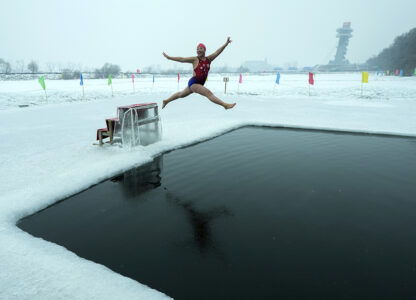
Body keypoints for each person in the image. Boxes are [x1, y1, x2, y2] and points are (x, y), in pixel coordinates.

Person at [161, 37, 236, 110]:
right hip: (194, 83)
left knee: (181, 94)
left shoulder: (209, 59)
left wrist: (226, 44)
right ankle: (225, 105)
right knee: (208, 93)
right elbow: (182, 59)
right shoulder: (195, 59)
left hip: (199, 84)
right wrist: (169, 57)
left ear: (204, 50)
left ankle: (166, 101)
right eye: (197, 49)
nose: (198, 50)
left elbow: (217, 52)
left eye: (200, 48)